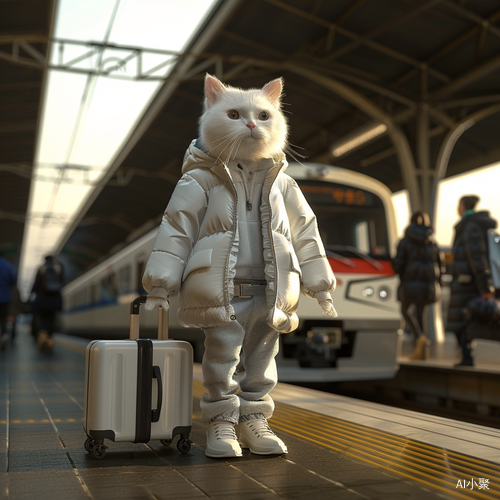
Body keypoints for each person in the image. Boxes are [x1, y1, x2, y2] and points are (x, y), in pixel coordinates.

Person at [142, 75, 336, 458]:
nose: (251, 123)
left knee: (263, 363)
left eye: (264, 115)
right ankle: (222, 421)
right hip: (223, 289)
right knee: (220, 361)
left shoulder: (285, 184)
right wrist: (160, 284)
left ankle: (254, 419)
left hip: (272, 289)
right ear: (210, 109)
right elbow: (176, 229)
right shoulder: (198, 179)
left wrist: (320, 282)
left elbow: (306, 234)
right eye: (235, 113)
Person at [447, 195, 497, 366]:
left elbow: (477, 258)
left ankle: (467, 357)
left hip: (467, 284)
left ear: (462, 206)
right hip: (467, 283)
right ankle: (466, 356)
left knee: (464, 321)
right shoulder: (471, 225)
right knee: (466, 321)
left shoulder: (470, 227)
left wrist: (484, 287)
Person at [393, 211, 443, 360]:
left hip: (410, 284)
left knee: (405, 311)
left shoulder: (405, 241)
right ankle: (422, 350)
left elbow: (398, 265)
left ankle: (419, 338)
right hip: (428, 285)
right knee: (421, 314)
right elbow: (440, 266)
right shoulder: (433, 242)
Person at [31, 255, 64, 351]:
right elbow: (62, 282)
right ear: (53, 259)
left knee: (42, 321)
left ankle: (42, 339)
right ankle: (50, 341)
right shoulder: (59, 268)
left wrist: (31, 295)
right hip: (55, 301)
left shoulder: (41, 269)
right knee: (52, 321)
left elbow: (36, 284)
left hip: (42, 301)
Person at [0, 251, 18, 348]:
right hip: (5, 297)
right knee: (3, 318)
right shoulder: (8, 266)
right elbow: (14, 280)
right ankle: (3, 336)